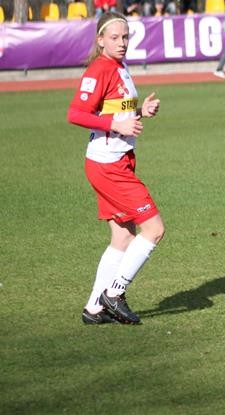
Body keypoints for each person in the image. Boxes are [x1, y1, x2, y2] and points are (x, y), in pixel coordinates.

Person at [67, 12, 165, 325]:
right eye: (114, 38)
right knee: (154, 229)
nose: (122, 43)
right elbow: (75, 113)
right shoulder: (99, 69)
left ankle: (94, 309)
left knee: (123, 237)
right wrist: (116, 124)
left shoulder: (119, 66)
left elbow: (118, 111)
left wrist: (141, 111)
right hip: (107, 164)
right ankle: (114, 293)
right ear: (100, 40)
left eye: (125, 37)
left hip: (119, 159)